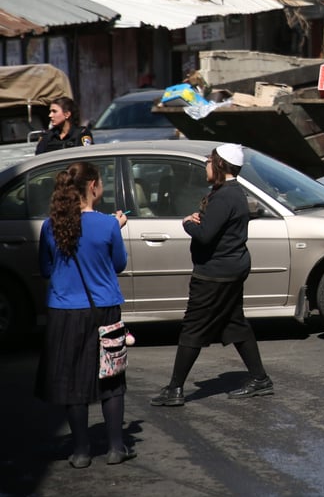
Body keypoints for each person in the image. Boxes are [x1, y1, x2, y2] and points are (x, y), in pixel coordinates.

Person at [151, 144, 273, 407]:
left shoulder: (225, 196)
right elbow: (215, 227)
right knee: (234, 323)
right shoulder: (229, 194)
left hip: (215, 274)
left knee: (193, 327)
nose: (205, 165)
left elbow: (206, 236)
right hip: (230, 269)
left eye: (208, 161)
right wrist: (201, 221)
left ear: (219, 165)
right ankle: (260, 379)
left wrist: (187, 223)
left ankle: (175, 389)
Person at [36, 162, 134, 468]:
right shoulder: (107, 224)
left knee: (72, 381)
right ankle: (116, 447)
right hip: (102, 308)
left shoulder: (50, 226)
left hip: (63, 311)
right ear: (92, 185)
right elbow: (118, 264)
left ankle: (80, 451)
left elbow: (45, 269)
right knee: (111, 376)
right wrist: (115, 229)